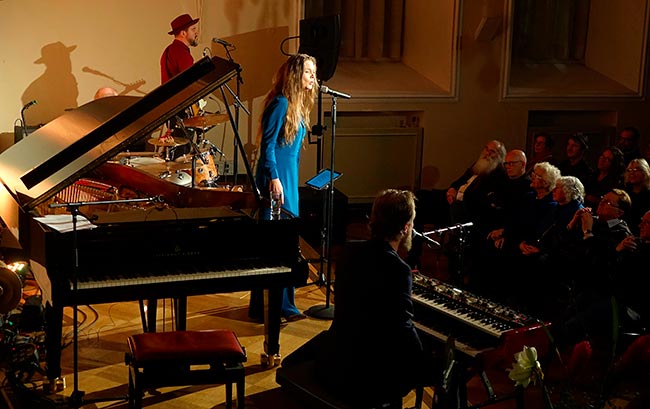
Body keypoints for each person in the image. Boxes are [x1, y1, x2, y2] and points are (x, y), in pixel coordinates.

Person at [315, 189, 441, 408]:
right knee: (441, 371)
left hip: (338, 355)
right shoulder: (398, 270)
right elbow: (403, 329)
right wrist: (426, 365)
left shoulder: (348, 253)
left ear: (372, 220)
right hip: (368, 374)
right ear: (405, 228)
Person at [249, 53, 317, 322]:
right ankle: (267, 308)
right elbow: (267, 147)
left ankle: (284, 306)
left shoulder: (297, 106)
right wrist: (274, 178)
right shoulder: (280, 103)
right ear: (296, 75)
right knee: (273, 247)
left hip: (288, 179)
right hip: (274, 180)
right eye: (309, 72)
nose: (314, 77)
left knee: (287, 244)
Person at [160, 13, 200, 84]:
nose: (196, 33)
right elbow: (191, 81)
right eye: (193, 29)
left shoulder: (168, 50)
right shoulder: (181, 53)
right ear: (183, 33)